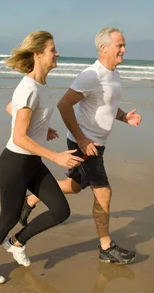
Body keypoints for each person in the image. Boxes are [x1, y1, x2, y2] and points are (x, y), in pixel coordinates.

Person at [19, 27, 142, 265]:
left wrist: (125, 117)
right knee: (104, 192)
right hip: (85, 144)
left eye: (124, 45)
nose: (124, 50)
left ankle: (32, 198)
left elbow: (105, 106)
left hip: (96, 144)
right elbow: (65, 105)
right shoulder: (90, 76)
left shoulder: (113, 74)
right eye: (119, 45)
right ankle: (106, 247)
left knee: (75, 186)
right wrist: (83, 140)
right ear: (103, 48)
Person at [0, 31, 84, 285]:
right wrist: (55, 157)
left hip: (31, 163)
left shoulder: (38, 86)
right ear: (38, 54)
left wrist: (42, 128)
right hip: (15, 164)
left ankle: (16, 242)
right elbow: (20, 137)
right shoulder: (29, 88)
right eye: (53, 49)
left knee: (60, 210)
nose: (57, 54)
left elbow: (11, 108)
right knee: (8, 218)